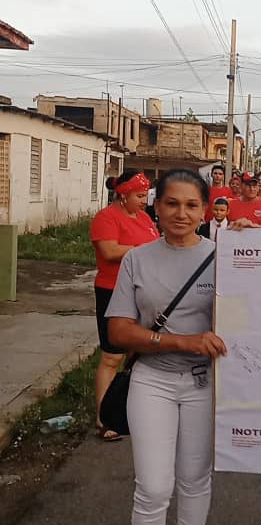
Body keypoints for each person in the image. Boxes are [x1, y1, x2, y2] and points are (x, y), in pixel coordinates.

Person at [106, 168, 227, 525]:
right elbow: (118, 331)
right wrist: (180, 341)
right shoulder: (137, 260)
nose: (181, 213)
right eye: (172, 204)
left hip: (202, 386)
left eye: (192, 205)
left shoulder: (225, 257)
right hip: (152, 382)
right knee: (153, 488)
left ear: (206, 210)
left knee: (195, 482)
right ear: (157, 206)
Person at [90, 170, 159, 441]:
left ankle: (129, 411)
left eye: (146, 195)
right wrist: (144, 250)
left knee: (135, 354)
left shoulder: (143, 218)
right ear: (123, 195)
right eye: (140, 196)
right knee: (111, 357)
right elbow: (109, 251)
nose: (145, 201)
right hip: (112, 291)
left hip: (142, 292)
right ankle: (103, 417)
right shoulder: (106, 218)